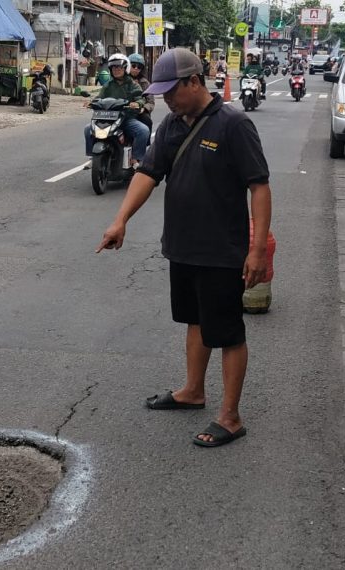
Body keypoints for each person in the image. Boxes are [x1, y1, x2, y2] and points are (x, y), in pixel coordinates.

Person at [96, 48, 271, 448]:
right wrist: (120, 219)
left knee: (226, 332)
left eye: (171, 91)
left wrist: (257, 249)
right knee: (194, 320)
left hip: (222, 250)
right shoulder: (173, 124)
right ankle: (193, 391)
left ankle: (231, 416)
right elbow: (149, 173)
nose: (166, 100)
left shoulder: (234, 124)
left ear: (194, 82)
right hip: (183, 246)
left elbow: (259, 186)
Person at [83, 54, 150, 168]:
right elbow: (99, 97)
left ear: (125, 68)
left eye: (119, 68)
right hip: (108, 118)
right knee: (88, 129)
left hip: (126, 118)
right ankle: (92, 157)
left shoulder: (133, 84)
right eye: (114, 68)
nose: (116, 70)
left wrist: (137, 103)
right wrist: (91, 102)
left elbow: (140, 98)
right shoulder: (108, 85)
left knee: (143, 130)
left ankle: (135, 159)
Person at [127, 53, 155, 130]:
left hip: (139, 112)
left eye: (139, 67)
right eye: (133, 66)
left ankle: (147, 142)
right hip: (123, 110)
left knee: (147, 121)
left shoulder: (145, 83)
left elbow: (151, 102)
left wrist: (144, 109)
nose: (136, 69)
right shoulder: (121, 80)